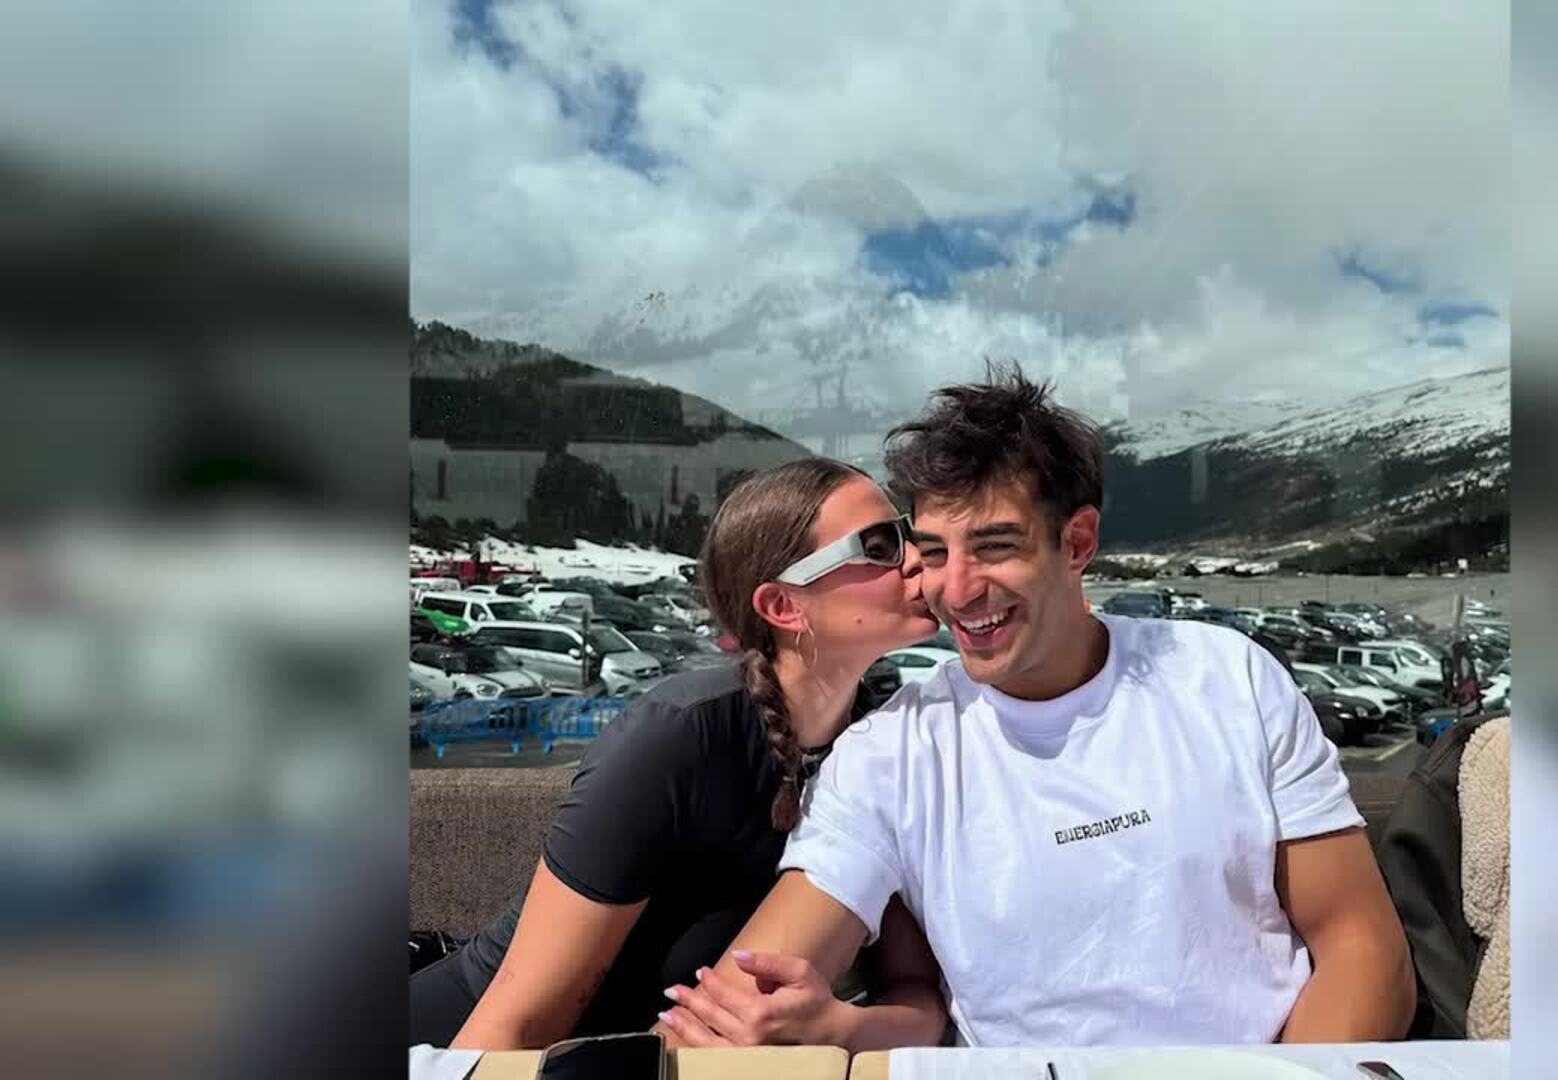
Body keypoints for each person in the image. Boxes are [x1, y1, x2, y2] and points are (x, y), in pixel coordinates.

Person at [658, 366, 1413, 1048]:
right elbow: (735, 1013)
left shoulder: (1227, 678)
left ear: (1077, 542)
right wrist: (770, 1023)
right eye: (934, 552)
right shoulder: (892, 753)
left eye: (994, 546)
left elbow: (1362, 947)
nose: (956, 590)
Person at [409, 458, 950, 1050]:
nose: (917, 558)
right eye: (879, 546)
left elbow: (918, 998)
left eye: (907, 533)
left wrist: (839, 1027)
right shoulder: (680, 737)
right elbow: (514, 1023)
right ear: (783, 607)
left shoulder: (883, 745)